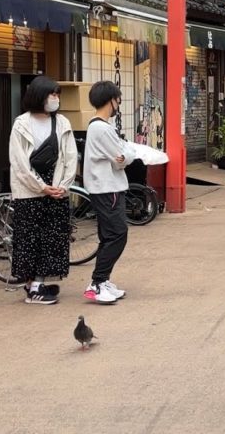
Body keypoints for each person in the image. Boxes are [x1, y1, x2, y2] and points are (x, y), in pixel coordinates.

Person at [8, 76, 79, 304]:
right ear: (40, 96)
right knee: (30, 238)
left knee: (52, 238)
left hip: (56, 188)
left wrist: (62, 186)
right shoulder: (21, 124)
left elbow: (70, 157)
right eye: (53, 94)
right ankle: (34, 287)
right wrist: (41, 187)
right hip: (29, 191)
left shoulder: (62, 123)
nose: (56, 99)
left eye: (57, 94)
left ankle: (36, 284)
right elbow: (19, 163)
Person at [83, 81, 137, 304]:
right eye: (118, 99)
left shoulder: (98, 126)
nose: (119, 104)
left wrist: (126, 153)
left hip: (105, 188)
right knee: (117, 234)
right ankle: (97, 283)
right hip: (107, 188)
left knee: (108, 235)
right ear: (111, 101)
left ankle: (102, 280)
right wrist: (129, 152)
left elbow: (122, 155)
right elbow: (121, 158)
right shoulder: (102, 129)